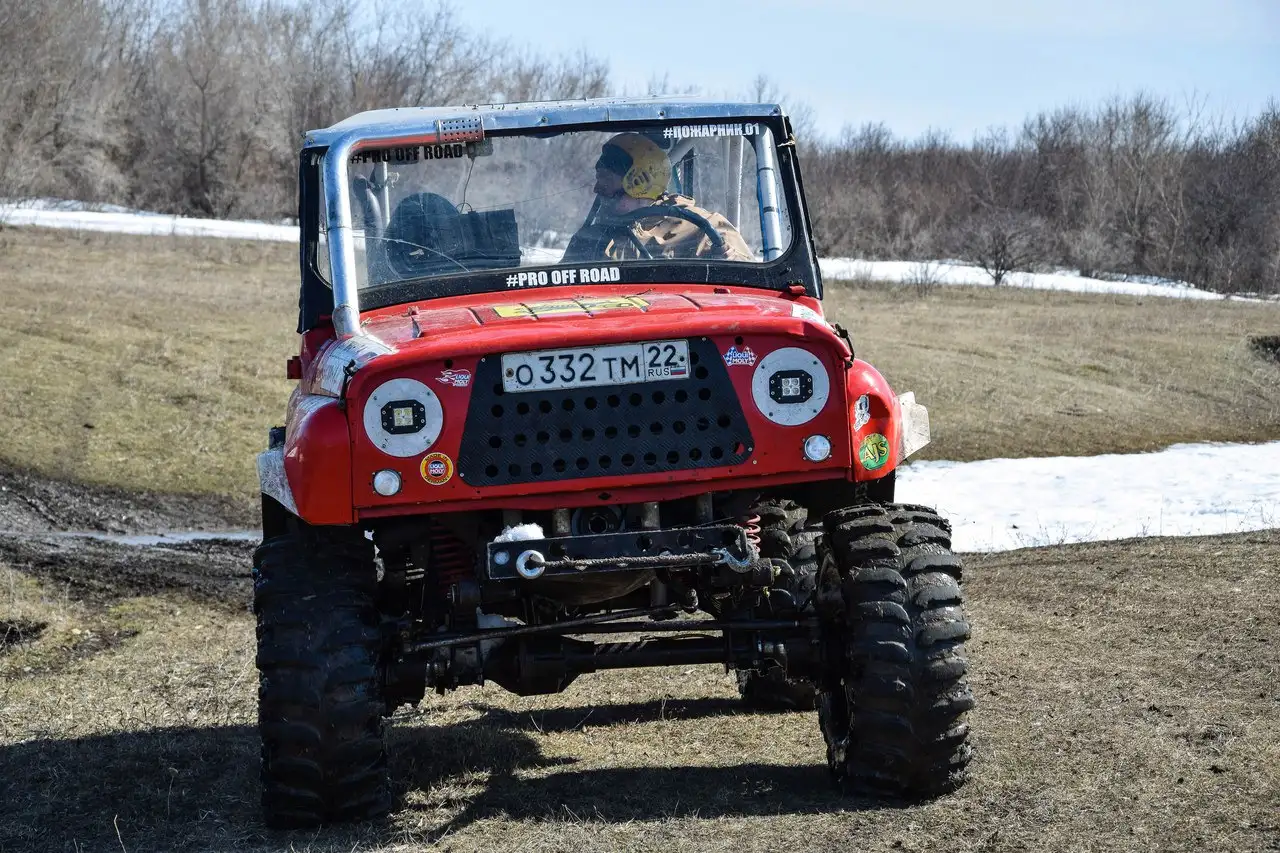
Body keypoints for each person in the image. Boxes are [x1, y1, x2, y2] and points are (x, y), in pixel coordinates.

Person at [563, 132, 754, 263]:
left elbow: (745, 287)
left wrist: (729, 259)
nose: (597, 188)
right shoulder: (588, 238)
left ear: (638, 180)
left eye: (606, 178)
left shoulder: (704, 229)